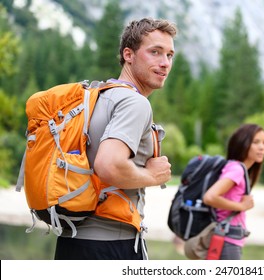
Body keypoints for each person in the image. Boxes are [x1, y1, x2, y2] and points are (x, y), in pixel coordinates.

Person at [54, 18, 177, 260]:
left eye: (170, 55)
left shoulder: (95, 98)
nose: (165, 63)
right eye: (155, 52)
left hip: (71, 241)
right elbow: (108, 165)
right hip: (111, 245)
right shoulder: (134, 102)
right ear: (128, 55)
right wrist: (153, 176)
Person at [202, 123, 264, 260]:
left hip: (229, 238)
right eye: (256, 142)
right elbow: (210, 197)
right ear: (243, 143)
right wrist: (242, 206)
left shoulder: (238, 168)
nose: (262, 147)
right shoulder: (237, 170)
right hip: (227, 240)